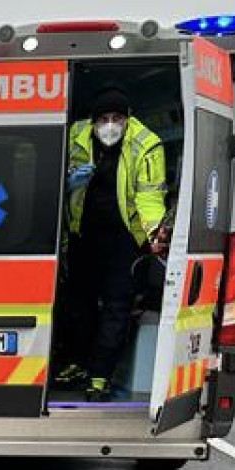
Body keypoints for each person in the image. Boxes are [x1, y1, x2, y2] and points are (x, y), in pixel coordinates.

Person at [54, 87, 169, 400]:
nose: (109, 125)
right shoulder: (75, 135)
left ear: (127, 119)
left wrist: (155, 233)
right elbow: (50, 175)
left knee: (115, 309)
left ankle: (100, 376)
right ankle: (78, 362)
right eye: (102, 119)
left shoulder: (144, 145)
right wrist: (67, 183)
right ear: (92, 122)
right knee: (78, 305)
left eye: (116, 118)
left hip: (123, 241)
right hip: (82, 237)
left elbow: (149, 196)